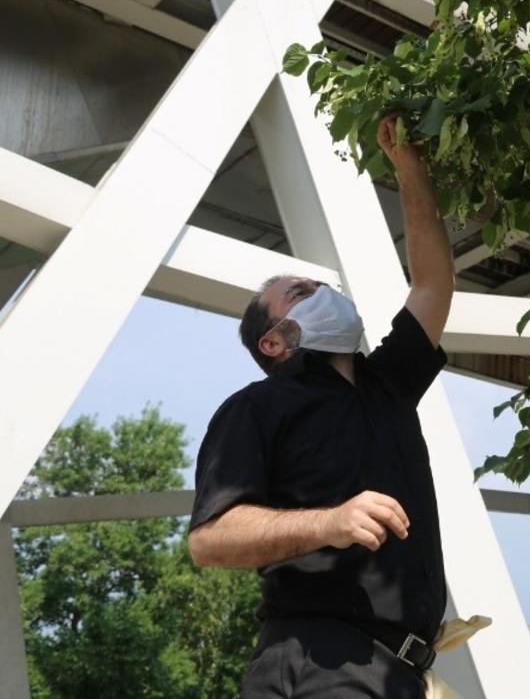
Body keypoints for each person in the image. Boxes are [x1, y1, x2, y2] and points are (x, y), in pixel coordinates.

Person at [188, 115, 454, 698]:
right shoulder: (254, 408)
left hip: (396, 672)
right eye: (300, 293)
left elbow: (432, 284)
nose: (322, 292)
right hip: (316, 663)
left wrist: (408, 164)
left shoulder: (387, 384)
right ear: (274, 341)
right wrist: (329, 524)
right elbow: (209, 539)